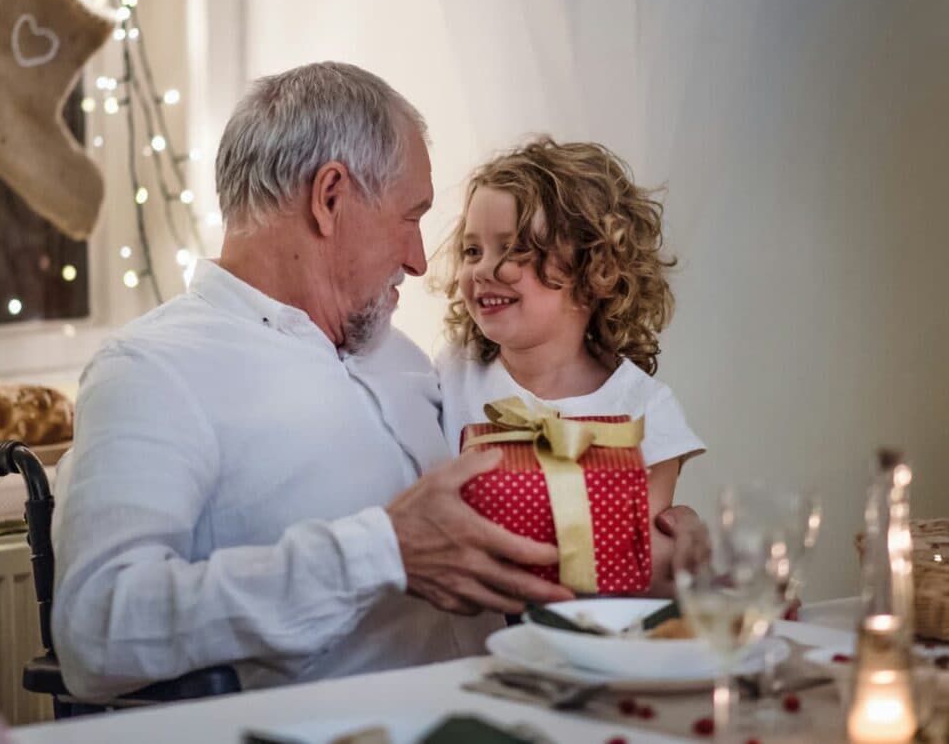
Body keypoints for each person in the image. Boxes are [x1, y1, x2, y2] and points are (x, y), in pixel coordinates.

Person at [52, 63, 705, 700]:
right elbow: (95, 632)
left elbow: (511, 559)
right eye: (410, 216)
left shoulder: (406, 360)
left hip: (512, 708)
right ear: (330, 198)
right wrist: (378, 552)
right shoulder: (153, 372)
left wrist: (650, 564)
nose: (421, 261)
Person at [436, 138, 706, 596]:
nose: (482, 270)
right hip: (471, 643)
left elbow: (640, 558)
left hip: (590, 641)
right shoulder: (453, 371)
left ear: (595, 268)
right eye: (472, 250)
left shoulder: (643, 409)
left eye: (513, 249)